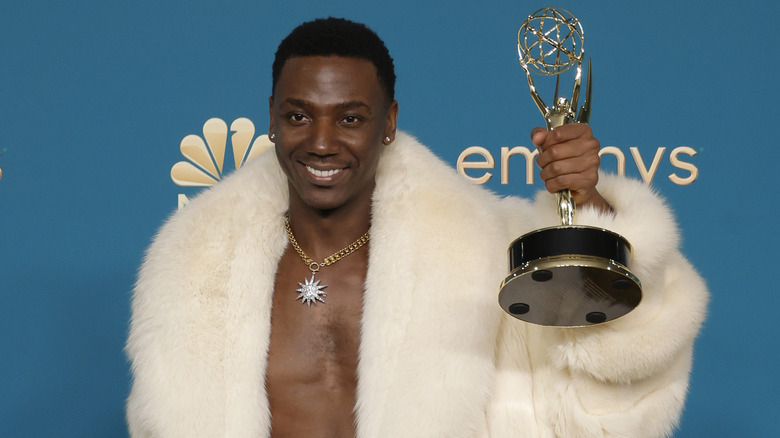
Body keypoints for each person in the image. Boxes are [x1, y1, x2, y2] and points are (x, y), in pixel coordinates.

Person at [125, 17, 707, 438]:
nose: (322, 142)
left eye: (350, 118)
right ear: (272, 118)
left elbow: (616, 355)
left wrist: (586, 200)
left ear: (389, 123)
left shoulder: (481, 249)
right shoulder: (194, 266)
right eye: (299, 116)